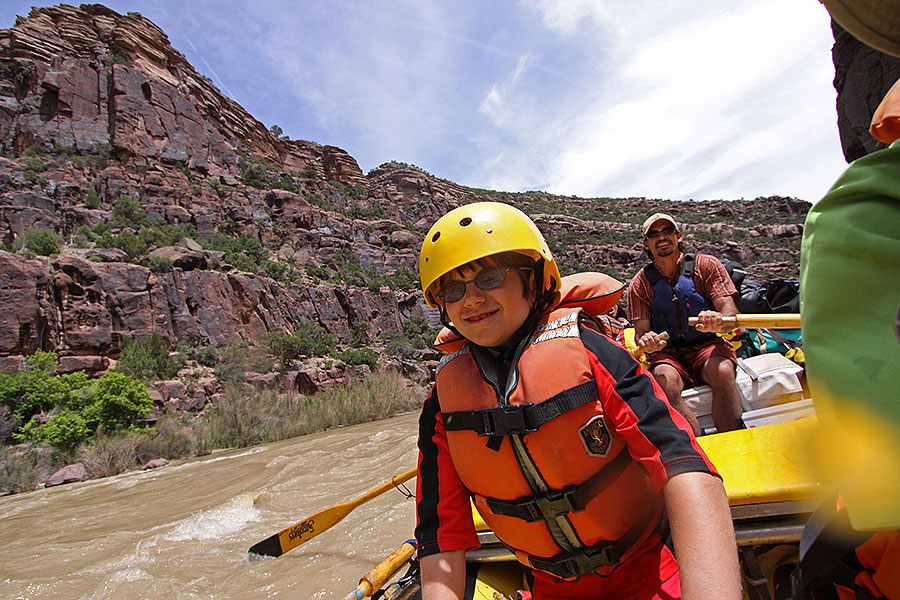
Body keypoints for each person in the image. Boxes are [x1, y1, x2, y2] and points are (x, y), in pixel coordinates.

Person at [414, 202, 741, 600]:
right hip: (551, 588)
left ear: (532, 281)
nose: (470, 299)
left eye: (490, 276)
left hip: (649, 570)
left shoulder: (590, 351)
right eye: (453, 288)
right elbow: (440, 536)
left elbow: (682, 465)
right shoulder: (441, 405)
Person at [627, 213, 743, 436]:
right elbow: (641, 333)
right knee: (664, 383)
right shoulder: (639, 285)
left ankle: (734, 438)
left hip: (707, 345)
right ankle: (698, 449)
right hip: (669, 353)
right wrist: (647, 342)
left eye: (667, 231)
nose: (661, 237)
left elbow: (729, 312)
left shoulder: (706, 266)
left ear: (678, 236)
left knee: (723, 370)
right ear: (646, 244)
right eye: (654, 234)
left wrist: (718, 321)